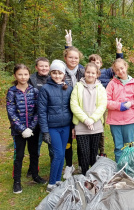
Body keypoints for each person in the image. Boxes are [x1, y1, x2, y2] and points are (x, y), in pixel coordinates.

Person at [6, 64, 46, 194]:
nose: (23, 77)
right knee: (19, 155)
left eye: (25, 74)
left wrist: (31, 127)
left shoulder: (34, 91)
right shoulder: (12, 92)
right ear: (15, 76)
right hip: (18, 132)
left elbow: (38, 110)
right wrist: (22, 129)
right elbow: (11, 112)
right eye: (20, 74)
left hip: (33, 129)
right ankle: (16, 181)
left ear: (29, 75)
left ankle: (35, 175)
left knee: (34, 153)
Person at [38, 60, 73, 192]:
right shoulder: (45, 89)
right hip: (52, 127)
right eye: (54, 73)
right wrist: (45, 131)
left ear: (64, 74)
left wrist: (73, 126)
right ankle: (51, 184)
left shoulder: (68, 88)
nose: (57, 75)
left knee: (62, 152)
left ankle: (58, 180)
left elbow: (71, 107)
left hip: (65, 126)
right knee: (57, 154)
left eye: (59, 73)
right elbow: (41, 111)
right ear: (50, 73)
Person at [88, 38, 124, 157]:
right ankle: (89, 151)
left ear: (101, 64)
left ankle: (101, 151)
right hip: (88, 105)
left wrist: (119, 51)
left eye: (97, 62)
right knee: (88, 127)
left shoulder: (106, 73)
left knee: (99, 128)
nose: (95, 64)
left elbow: (118, 66)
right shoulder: (87, 73)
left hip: (101, 105)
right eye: (93, 62)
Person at [70, 63, 107, 175]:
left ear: (97, 74)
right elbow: (74, 104)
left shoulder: (100, 88)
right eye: (88, 72)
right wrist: (85, 119)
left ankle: (93, 174)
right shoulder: (77, 86)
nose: (90, 75)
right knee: (84, 152)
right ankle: (85, 175)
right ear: (84, 73)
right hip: (81, 125)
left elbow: (102, 105)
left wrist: (92, 119)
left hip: (95, 125)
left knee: (93, 152)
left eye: (93, 73)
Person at [106, 58, 134, 162]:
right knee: (118, 146)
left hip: (129, 120)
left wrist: (131, 103)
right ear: (114, 71)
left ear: (126, 67)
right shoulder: (112, 84)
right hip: (115, 121)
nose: (120, 71)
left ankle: (130, 167)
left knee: (129, 145)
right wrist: (119, 105)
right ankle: (120, 168)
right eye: (117, 70)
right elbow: (106, 101)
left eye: (122, 68)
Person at [62, 39, 85, 179]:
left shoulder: (82, 71)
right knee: (68, 141)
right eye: (70, 57)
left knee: (82, 138)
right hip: (65, 110)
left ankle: (83, 163)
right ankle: (69, 165)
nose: (73, 60)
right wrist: (68, 44)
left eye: (76, 57)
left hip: (81, 110)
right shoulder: (60, 71)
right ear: (65, 58)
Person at [28, 57, 53, 178]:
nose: (44, 68)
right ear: (36, 67)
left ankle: (54, 164)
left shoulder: (52, 78)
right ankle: (33, 167)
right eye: (41, 66)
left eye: (46, 66)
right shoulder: (31, 79)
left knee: (51, 143)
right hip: (35, 117)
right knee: (36, 145)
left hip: (51, 117)